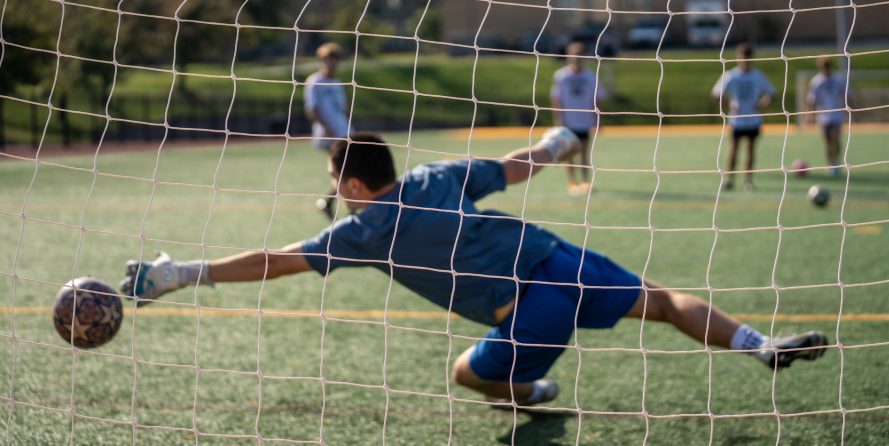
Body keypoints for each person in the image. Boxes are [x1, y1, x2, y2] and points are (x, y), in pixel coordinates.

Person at [120, 128, 828, 407]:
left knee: (467, 375)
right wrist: (562, 138)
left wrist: (184, 272)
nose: (334, 185)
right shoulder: (435, 176)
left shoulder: (366, 231)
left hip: (528, 316)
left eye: (336, 176)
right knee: (668, 301)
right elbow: (519, 167)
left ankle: (528, 391)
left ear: (355, 186)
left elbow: (274, 261)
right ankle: (758, 344)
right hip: (560, 258)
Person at [711, 43, 776, 191]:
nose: (745, 60)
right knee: (733, 149)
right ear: (738, 58)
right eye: (743, 57)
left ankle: (748, 180)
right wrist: (728, 104)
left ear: (752, 58)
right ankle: (730, 179)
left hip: (753, 119)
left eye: (748, 57)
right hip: (737, 120)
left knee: (750, 150)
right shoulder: (731, 75)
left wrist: (762, 105)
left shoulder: (758, 76)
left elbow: (771, 93)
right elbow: (716, 93)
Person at [304, 42, 354, 218]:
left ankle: (330, 202)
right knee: (345, 169)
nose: (331, 63)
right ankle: (348, 206)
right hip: (328, 136)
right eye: (327, 59)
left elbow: (342, 109)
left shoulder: (337, 82)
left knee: (346, 170)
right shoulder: (314, 81)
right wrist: (328, 129)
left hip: (344, 133)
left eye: (334, 59)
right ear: (321, 61)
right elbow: (312, 109)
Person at [551, 42, 607, 196]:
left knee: (584, 153)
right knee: (569, 154)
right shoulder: (561, 75)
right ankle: (572, 182)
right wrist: (558, 119)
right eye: (573, 57)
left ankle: (585, 182)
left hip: (584, 120)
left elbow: (597, 99)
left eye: (579, 57)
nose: (576, 60)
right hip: (568, 121)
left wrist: (598, 120)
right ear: (568, 57)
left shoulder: (591, 77)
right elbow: (556, 99)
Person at [807, 57, 851, 177]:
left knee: (835, 138)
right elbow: (812, 100)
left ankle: (836, 163)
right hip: (823, 116)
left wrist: (850, 110)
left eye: (826, 66)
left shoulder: (838, 80)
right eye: (822, 67)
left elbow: (846, 95)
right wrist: (810, 115)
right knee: (827, 141)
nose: (825, 69)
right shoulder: (816, 81)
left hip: (837, 115)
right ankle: (830, 164)